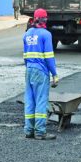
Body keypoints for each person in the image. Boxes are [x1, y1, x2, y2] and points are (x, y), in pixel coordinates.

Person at [23, 8, 59, 140]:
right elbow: (49, 57)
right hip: (41, 71)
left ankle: (28, 130)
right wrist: (54, 74)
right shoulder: (46, 34)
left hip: (29, 70)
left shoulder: (27, 34)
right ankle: (40, 131)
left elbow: (25, 57)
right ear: (44, 19)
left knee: (29, 101)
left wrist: (29, 69)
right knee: (41, 101)